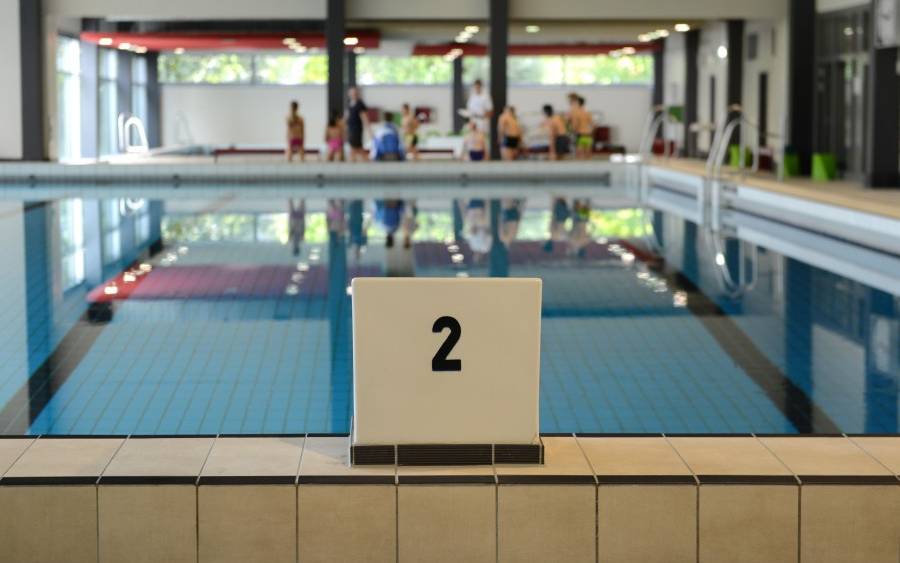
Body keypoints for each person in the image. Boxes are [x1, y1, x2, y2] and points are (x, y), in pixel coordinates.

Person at [345, 87, 371, 162]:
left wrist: (369, 130)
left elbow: (364, 118)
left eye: (355, 93)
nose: (353, 95)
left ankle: (357, 161)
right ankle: (356, 160)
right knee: (355, 148)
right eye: (352, 93)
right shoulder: (349, 104)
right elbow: (346, 117)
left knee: (356, 147)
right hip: (350, 128)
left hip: (356, 129)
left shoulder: (360, 104)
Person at [569, 95, 594, 159]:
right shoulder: (587, 113)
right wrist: (592, 132)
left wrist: (573, 131)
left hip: (580, 134)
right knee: (588, 153)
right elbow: (593, 125)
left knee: (579, 154)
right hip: (588, 134)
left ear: (578, 103)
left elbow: (575, 124)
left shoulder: (576, 112)